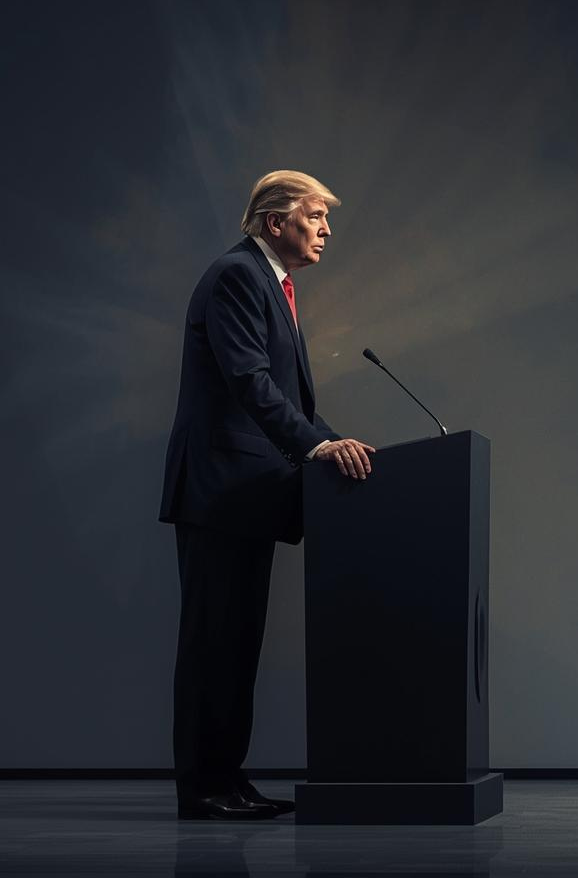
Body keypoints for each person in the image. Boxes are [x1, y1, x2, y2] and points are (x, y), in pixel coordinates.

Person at [158, 170, 376, 820]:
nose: (326, 231)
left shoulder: (270, 285)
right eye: (315, 217)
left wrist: (338, 441)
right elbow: (252, 382)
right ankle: (203, 788)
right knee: (213, 644)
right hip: (220, 491)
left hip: (246, 495)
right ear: (274, 221)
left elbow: (283, 396)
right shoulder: (237, 277)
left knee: (237, 644)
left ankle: (228, 780)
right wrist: (316, 447)